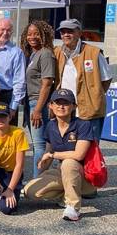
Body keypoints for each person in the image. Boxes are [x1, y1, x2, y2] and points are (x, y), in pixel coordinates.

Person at [23, 88, 96, 222]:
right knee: (30, 191)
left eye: (66, 103)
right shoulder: (51, 126)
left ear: (74, 106)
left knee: (69, 162)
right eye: (57, 102)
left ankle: (73, 207)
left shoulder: (83, 125)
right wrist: (41, 172)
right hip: (62, 173)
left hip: (85, 176)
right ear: (50, 105)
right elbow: (48, 152)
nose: (61, 106)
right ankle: (65, 195)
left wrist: (52, 155)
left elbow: (79, 155)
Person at [54, 18, 112, 143]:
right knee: (67, 146)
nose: (66, 35)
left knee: (91, 148)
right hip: (65, 109)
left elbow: (106, 79)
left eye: (70, 31)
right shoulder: (57, 52)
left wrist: (94, 94)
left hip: (89, 110)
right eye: (63, 32)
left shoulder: (94, 52)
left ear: (79, 33)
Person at [20, 20, 56, 177]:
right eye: (29, 34)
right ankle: (41, 180)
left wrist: (38, 109)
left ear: (44, 35)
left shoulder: (46, 53)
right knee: (37, 145)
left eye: (36, 33)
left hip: (38, 102)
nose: (32, 37)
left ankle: (37, 183)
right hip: (30, 103)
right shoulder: (32, 54)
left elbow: (47, 83)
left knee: (40, 145)